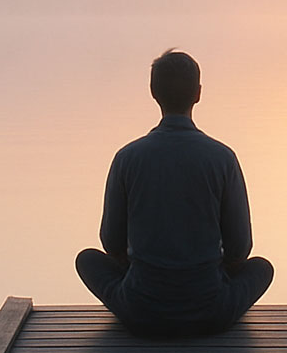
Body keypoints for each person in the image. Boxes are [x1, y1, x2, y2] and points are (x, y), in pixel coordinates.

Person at [75, 49, 274, 336]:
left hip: (140, 311)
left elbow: (110, 242)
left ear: (153, 92)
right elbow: (240, 248)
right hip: (211, 312)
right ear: (198, 94)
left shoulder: (127, 158)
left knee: (87, 260)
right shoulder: (222, 158)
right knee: (262, 268)